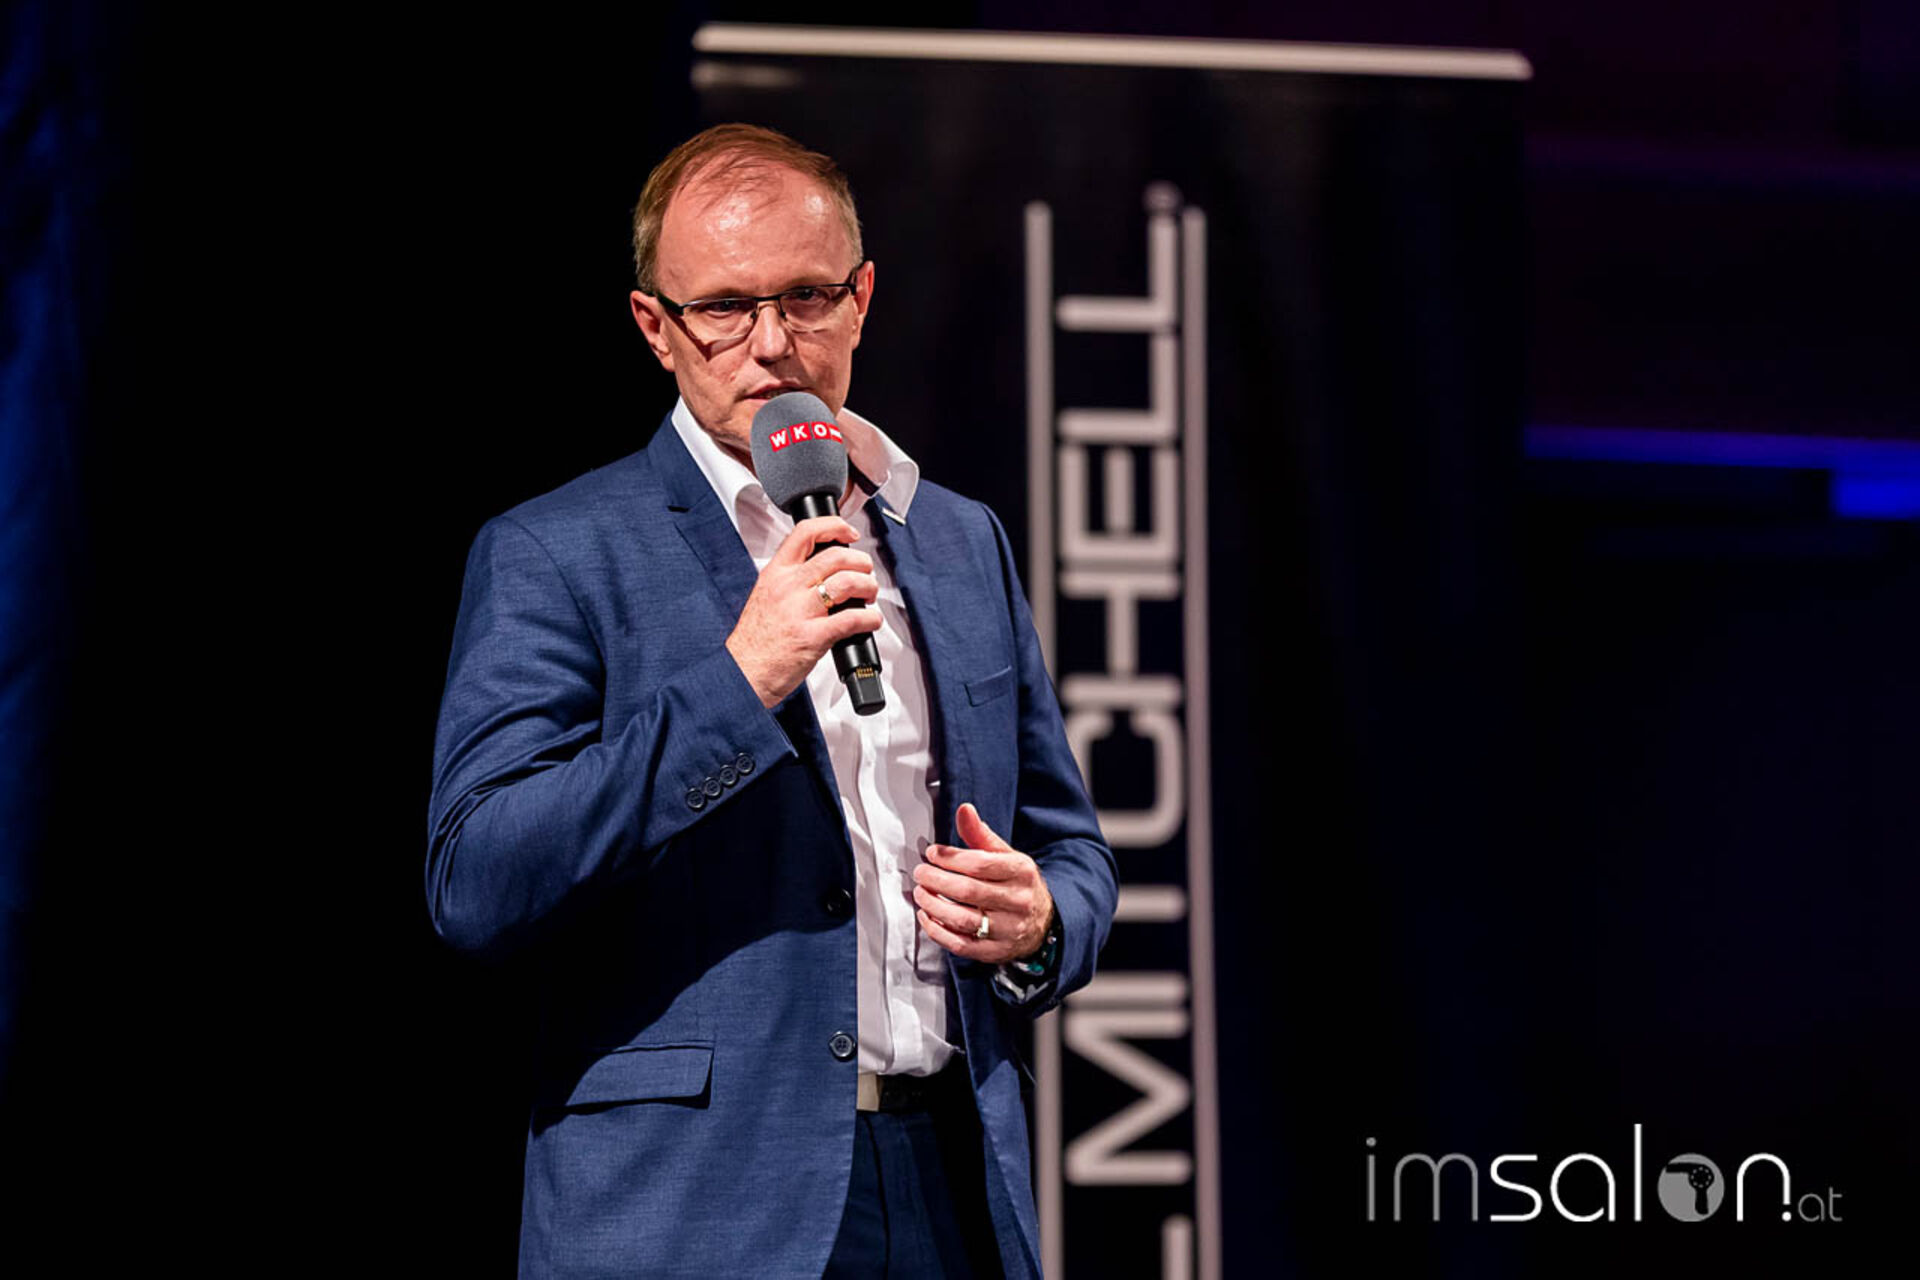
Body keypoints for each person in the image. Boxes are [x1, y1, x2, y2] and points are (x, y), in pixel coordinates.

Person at [427, 123, 1117, 1278]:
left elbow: (1070, 845)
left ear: (861, 299)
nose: (772, 342)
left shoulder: (958, 538)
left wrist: (1041, 923)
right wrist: (739, 680)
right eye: (724, 307)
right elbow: (478, 876)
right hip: (699, 1206)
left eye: (805, 296)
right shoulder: (558, 552)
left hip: (951, 1178)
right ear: (656, 326)